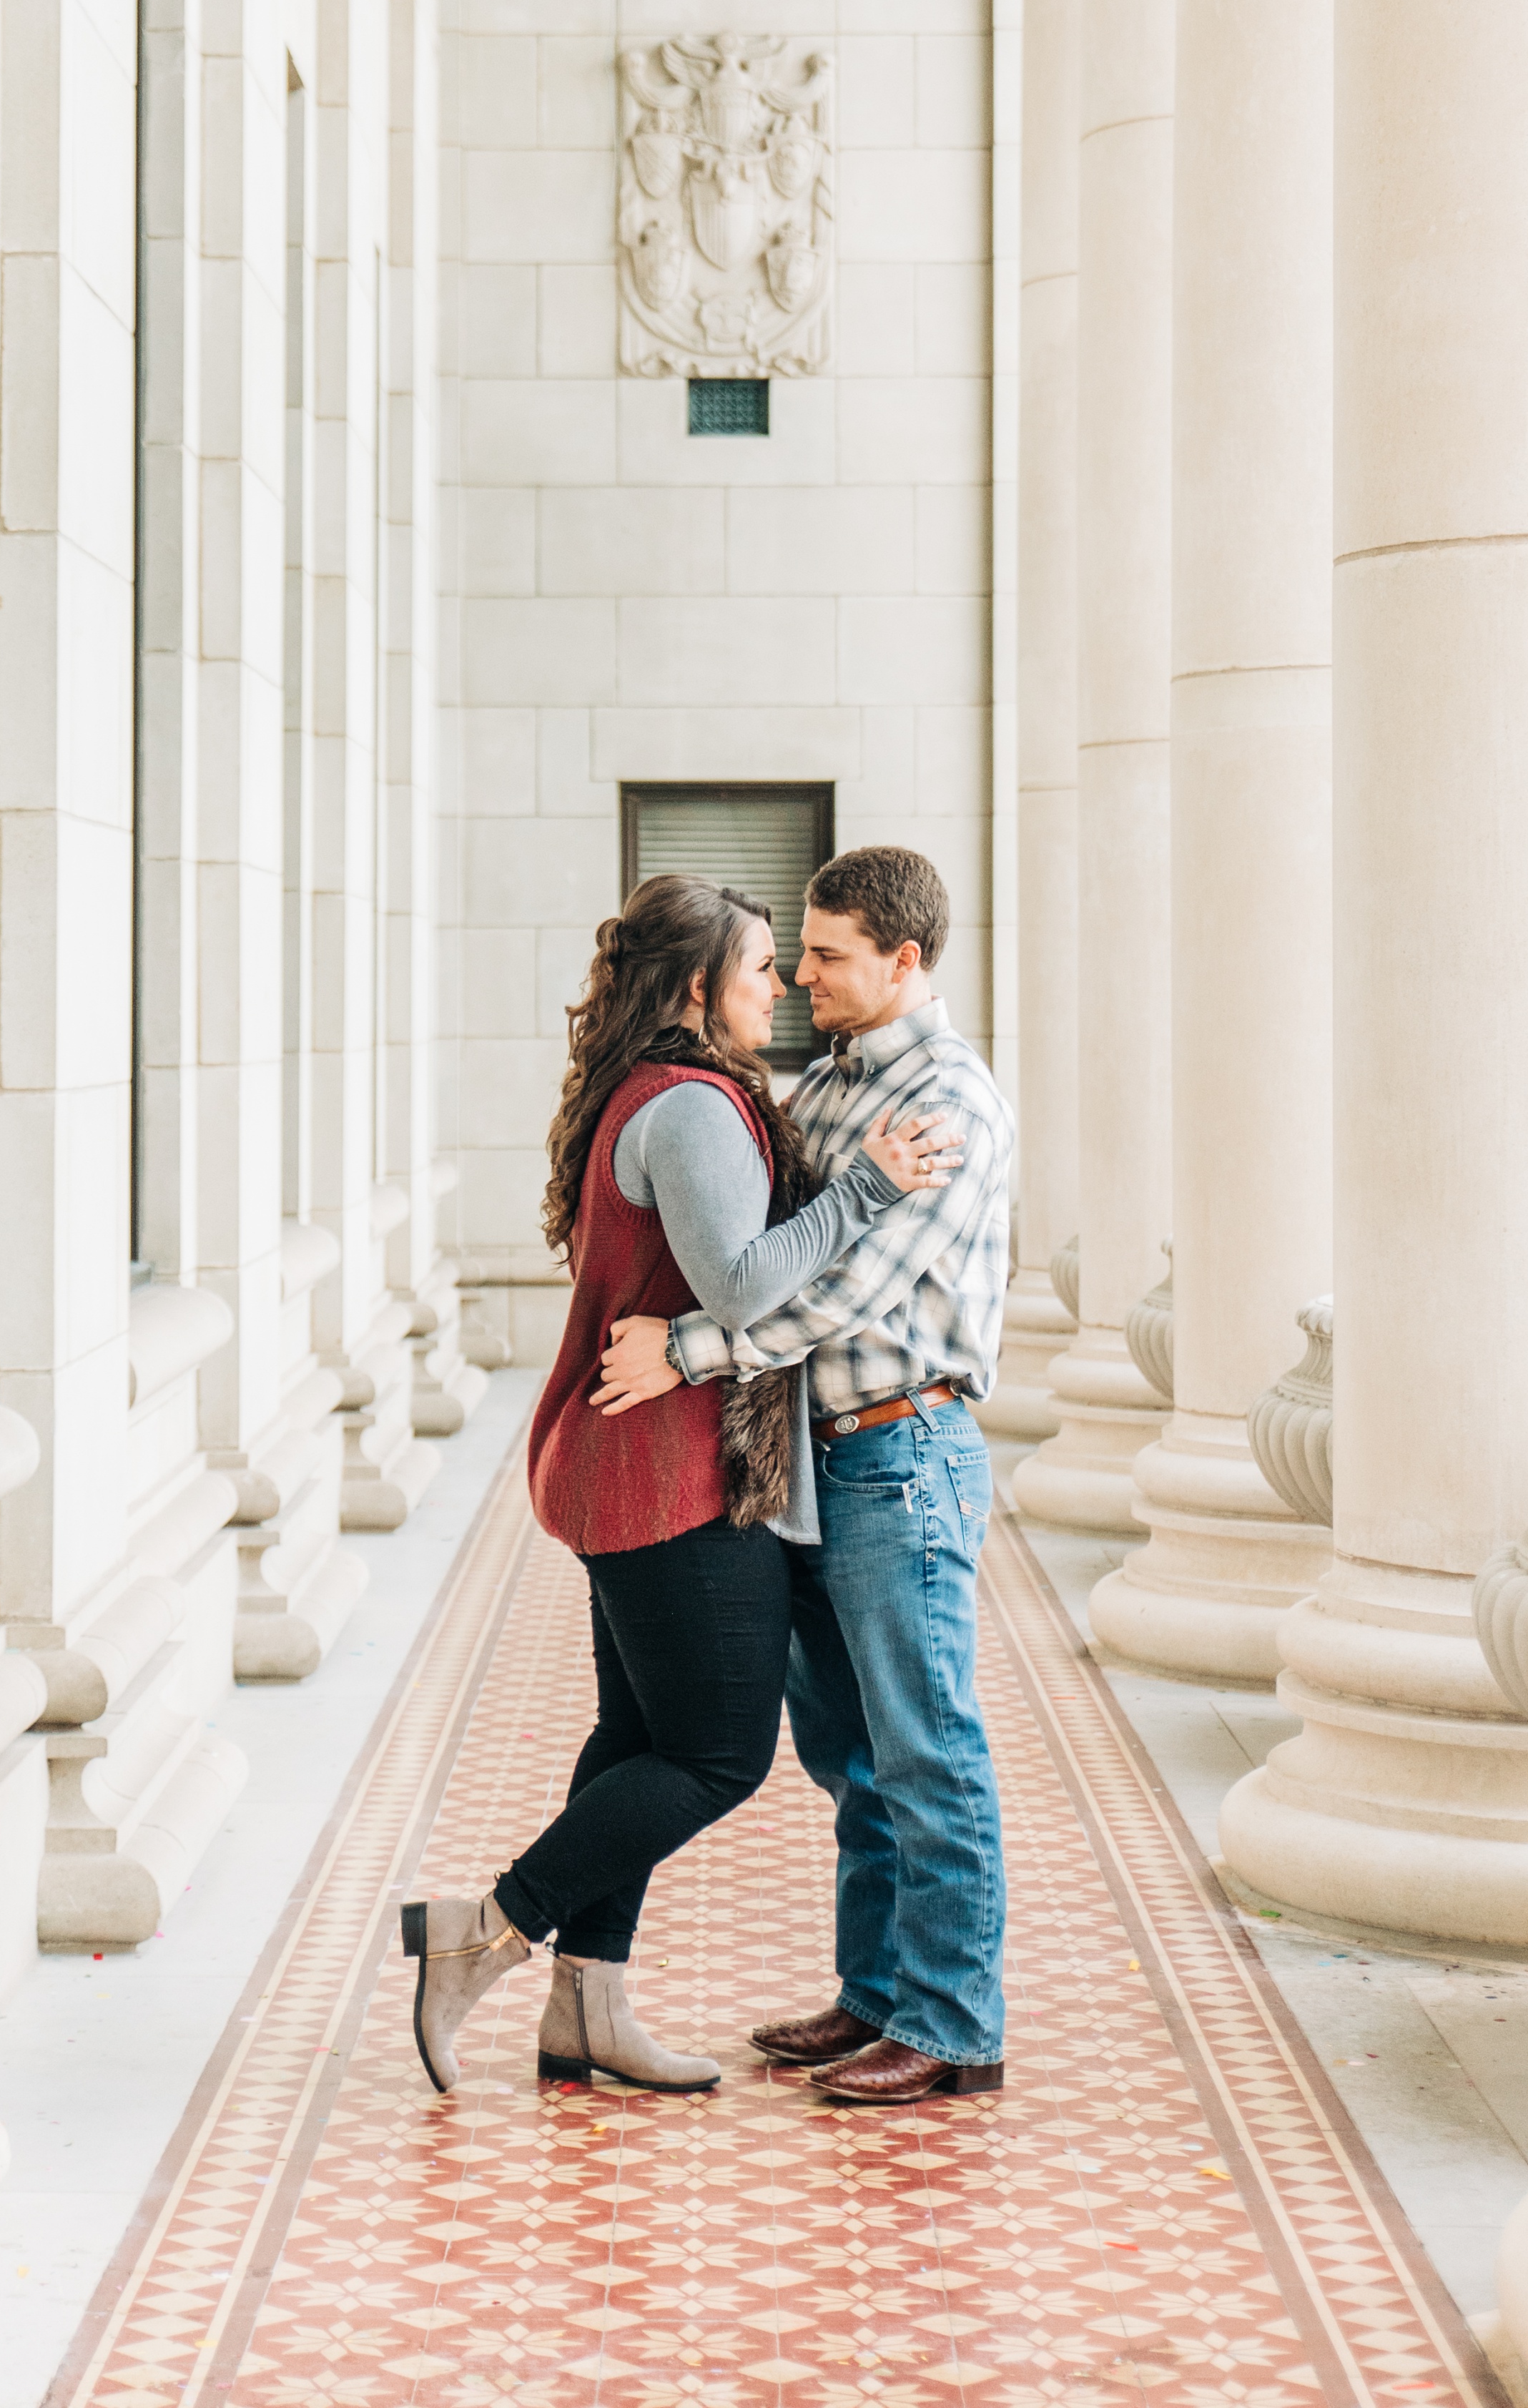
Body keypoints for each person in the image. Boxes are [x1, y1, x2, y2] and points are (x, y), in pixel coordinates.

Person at [397, 870, 962, 2097]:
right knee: (717, 1756)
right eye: (766, 967)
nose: (786, 987)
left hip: (642, 1460)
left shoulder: (668, 1091)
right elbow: (749, 1283)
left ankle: (586, 2010)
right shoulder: (696, 1107)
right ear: (702, 987)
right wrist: (870, 1186)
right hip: (666, 1474)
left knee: (638, 1736)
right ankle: (482, 1933)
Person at [592, 845, 1015, 2110]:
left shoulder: (948, 1106)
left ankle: (953, 2026)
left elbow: (836, 1291)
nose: (802, 982)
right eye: (799, 957)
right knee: (850, 1752)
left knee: (928, 1747)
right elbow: (767, 1248)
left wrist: (682, 1353)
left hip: (904, 1449)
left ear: (907, 960)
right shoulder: (826, 1087)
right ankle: (876, 1995)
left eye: (827, 959)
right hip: (819, 1463)